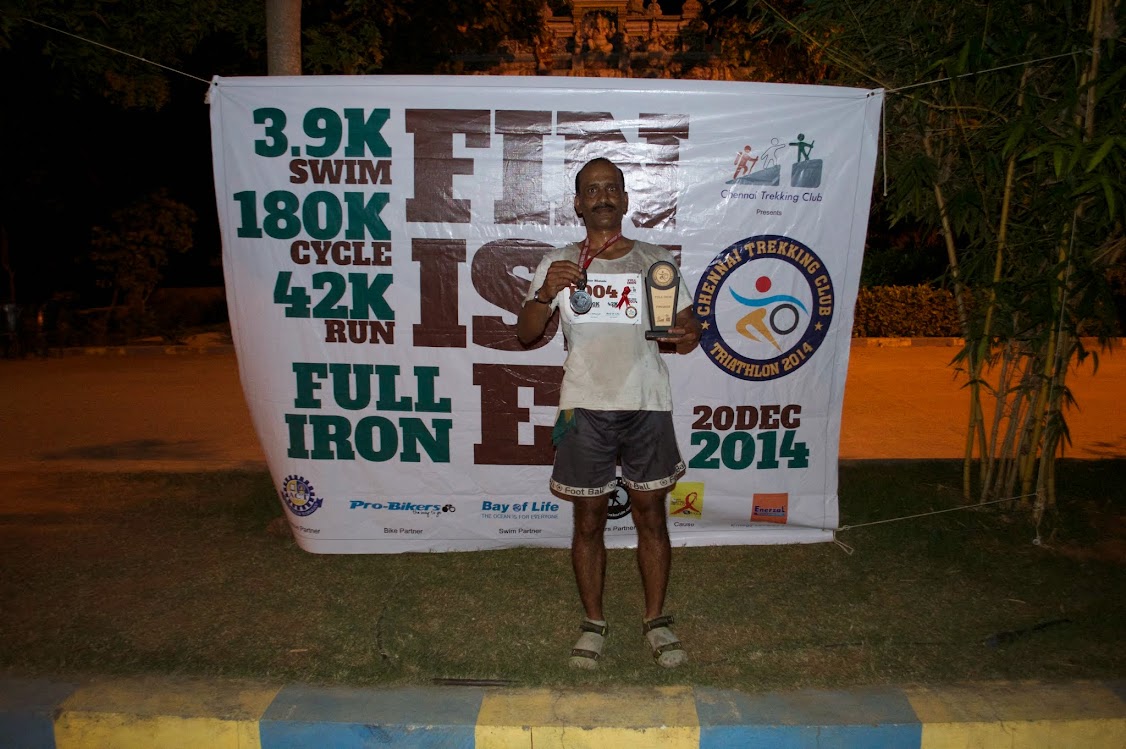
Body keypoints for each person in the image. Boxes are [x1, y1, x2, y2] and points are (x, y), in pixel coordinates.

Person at [517, 157, 700, 669]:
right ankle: (593, 623)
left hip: (646, 402)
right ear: (578, 203)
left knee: (651, 515)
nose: (602, 196)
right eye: (592, 189)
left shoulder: (654, 260)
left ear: (624, 199)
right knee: (588, 518)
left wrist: (690, 333)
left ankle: (656, 620)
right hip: (585, 405)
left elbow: (686, 328)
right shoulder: (558, 262)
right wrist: (546, 292)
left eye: (611, 187)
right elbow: (526, 332)